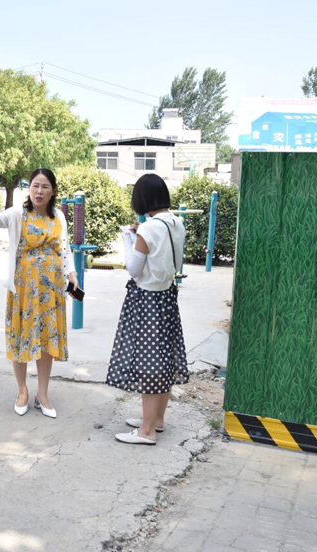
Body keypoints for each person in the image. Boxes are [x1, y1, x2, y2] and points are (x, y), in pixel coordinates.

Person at [0, 169, 78, 418]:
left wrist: (72, 275)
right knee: (21, 338)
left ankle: (43, 394)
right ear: (29, 188)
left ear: (52, 191)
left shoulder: (59, 216)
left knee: (46, 340)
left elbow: (65, 250)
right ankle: (22, 391)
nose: (39, 191)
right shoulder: (19, 212)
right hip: (24, 289)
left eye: (45, 187)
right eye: (35, 185)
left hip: (51, 290)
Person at [106, 173, 189, 445]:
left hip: (147, 301)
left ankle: (147, 431)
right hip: (167, 298)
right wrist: (138, 234)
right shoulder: (176, 222)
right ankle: (157, 420)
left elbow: (134, 268)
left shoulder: (148, 228)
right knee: (163, 361)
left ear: (142, 199)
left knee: (149, 364)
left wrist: (127, 238)